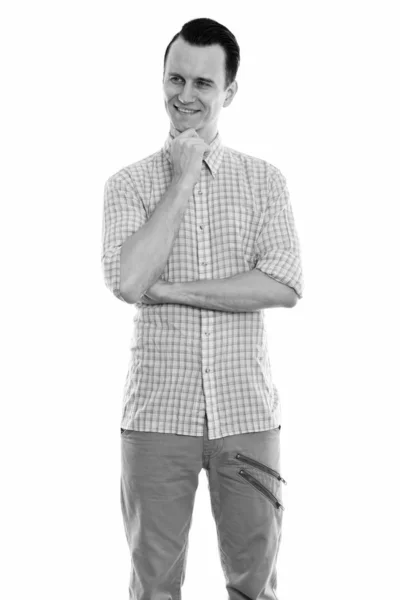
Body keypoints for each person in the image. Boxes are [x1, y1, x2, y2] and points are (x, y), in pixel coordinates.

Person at [101, 16, 304, 600]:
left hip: (248, 417)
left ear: (229, 92)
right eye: (175, 79)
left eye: (203, 84)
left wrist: (169, 291)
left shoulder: (265, 181)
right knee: (153, 583)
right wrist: (185, 176)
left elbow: (284, 285)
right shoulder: (129, 185)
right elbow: (129, 279)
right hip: (156, 417)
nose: (185, 96)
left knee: (255, 580)